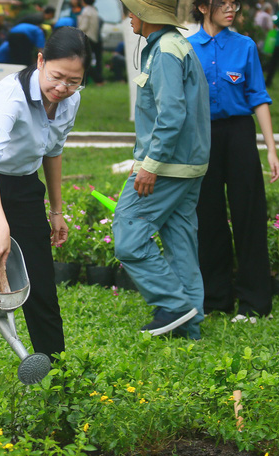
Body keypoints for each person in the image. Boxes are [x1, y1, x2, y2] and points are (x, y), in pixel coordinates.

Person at [0, 26, 91, 390]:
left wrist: (56, 211)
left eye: (74, 81)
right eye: (57, 77)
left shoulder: (71, 99)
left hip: (24, 186)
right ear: (40, 61)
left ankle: (56, 378)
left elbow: (53, 151)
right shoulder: (11, 95)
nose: (63, 87)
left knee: (41, 281)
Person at [112, 0, 210, 340]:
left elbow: (171, 115)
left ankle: (174, 305)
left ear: (144, 15)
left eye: (131, 11)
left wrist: (149, 166)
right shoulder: (174, 44)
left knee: (128, 234)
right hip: (188, 164)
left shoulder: (166, 50)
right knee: (180, 241)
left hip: (166, 165)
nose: (128, 17)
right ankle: (189, 327)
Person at [187, 0, 279, 323]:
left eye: (234, 3)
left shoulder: (245, 47)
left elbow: (259, 97)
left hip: (240, 135)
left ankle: (255, 303)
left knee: (249, 214)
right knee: (208, 215)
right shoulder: (186, 49)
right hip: (203, 137)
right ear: (202, 7)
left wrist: (271, 148)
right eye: (222, 3)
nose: (231, 9)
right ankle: (216, 298)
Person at [78, 0, 104, 85]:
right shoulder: (94, 10)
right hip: (95, 38)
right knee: (96, 60)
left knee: (86, 60)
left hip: (87, 38)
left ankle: (96, 79)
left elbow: (84, 26)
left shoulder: (86, 11)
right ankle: (97, 80)